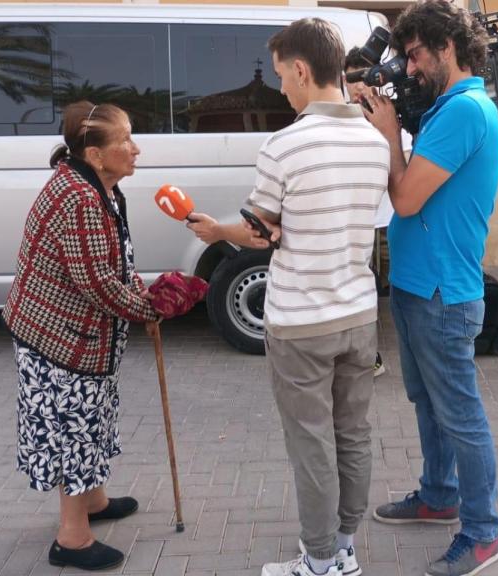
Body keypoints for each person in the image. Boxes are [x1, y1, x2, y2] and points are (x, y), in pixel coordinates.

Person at [186, 18, 388, 576]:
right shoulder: (374, 140)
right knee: (353, 432)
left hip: (301, 319)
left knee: (311, 442)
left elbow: (258, 231)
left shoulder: (286, 144)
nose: (280, 87)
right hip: (357, 310)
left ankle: (321, 561)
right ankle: (344, 545)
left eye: (281, 75)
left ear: (301, 69)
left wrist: (217, 232)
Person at [361, 2, 498, 575]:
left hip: (443, 292)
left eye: (416, 54)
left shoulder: (466, 110)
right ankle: (439, 495)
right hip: (422, 286)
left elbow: (406, 198)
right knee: (430, 403)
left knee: (460, 414)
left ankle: (482, 532)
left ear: (447, 47)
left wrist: (390, 136)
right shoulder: (445, 108)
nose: (410, 67)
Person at [2, 101, 159, 571]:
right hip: (58, 339)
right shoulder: (79, 199)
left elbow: (120, 263)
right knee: (73, 429)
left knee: (93, 418)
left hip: (78, 335)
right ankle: (71, 539)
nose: (136, 149)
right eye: (125, 141)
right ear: (94, 155)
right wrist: (152, 307)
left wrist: (145, 298)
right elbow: (97, 284)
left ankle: (93, 500)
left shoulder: (99, 186)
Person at [346, 46, 391, 378]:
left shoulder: (389, 111)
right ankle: (367, 353)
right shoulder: (341, 115)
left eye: (363, 77)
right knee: (362, 281)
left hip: (389, 212)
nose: (358, 86)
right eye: (351, 79)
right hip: (356, 214)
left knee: (380, 282)